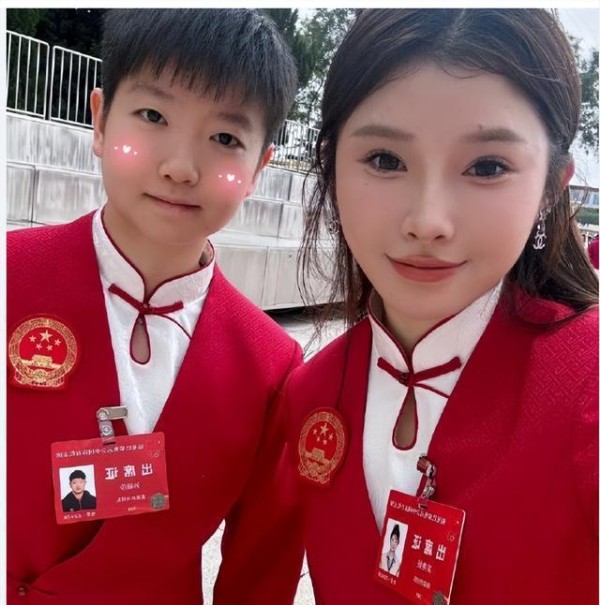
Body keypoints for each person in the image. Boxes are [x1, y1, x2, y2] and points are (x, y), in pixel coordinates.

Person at [285, 9, 598, 605]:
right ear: (331, 165)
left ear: (552, 187)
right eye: (385, 160)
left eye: (487, 167)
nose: (428, 221)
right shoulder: (309, 395)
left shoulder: (589, 385)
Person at [7, 9, 304, 604]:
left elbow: (260, 571)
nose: (180, 167)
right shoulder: (10, 277)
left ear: (258, 169)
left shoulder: (270, 367)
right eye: (152, 116)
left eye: (225, 139)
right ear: (99, 120)